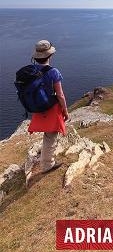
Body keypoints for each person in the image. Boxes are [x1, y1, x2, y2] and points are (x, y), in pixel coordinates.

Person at [28, 40, 69, 173]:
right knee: (51, 134)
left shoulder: (31, 70)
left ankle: (45, 158)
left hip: (38, 107)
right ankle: (47, 165)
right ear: (50, 56)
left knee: (48, 134)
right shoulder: (53, 72)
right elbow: (60, 95)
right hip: (51, 108)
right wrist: (65, 111)